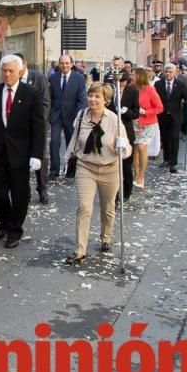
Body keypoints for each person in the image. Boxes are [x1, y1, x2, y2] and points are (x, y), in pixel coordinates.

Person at [0, 54, 45, 249]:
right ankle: (4, 222)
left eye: (11, 71)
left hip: (21, 152)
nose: (7, 74)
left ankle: (14, 230)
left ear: (20, 71)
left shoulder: (31, 94)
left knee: (20, 194)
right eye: (4, 71)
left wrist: (37, 155)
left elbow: (38, 127)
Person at [61, 82, 132, 265]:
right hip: (86, 167)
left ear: (106, 101)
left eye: (97, 96)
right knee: (84, 207)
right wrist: (67, 157)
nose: (92, 99)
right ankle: (80, 250)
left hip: (110, 169)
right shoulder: (82, 115)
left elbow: (127, 151)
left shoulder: (114, 120)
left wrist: (122, 147)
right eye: (90, 95)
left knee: (108, 207)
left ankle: (106, 237)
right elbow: (75, 138)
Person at [17, 53, 51, 204]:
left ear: (25, 64)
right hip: (20, 128)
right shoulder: (12, 79)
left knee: (40, 157)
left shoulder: (38, 78)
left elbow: (45, 102)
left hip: (37, 126)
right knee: (21, 159)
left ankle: (42, 188)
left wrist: (38, 123)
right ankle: (25, 191)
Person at [48, 54, 87, 179]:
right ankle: (54, 170)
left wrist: (79, 117)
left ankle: (70, 170)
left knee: (72, 144)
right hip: (56, 116)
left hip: (72, 117)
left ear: (71, 64)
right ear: (59, 65)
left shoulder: (79, 78)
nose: (64, 66)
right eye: (62, 63)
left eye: (67, 63)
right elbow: (49, 98)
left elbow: (82, 99)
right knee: (54, 142)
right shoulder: (53, 78)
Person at [154, 63, 187, 173]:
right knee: (165, 138)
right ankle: (166, 159)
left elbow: (186, 96)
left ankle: (174, 163)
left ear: (175, 73)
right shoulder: (158, 84)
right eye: (167, 72)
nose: (168, 74)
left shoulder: (180, 84)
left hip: (176, 115)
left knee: (174, 138)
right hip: (163, 115)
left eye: (171, 72)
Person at [132, 68, 162, 188]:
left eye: (134, 75)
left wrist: (145, 112)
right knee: (134, 149)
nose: (132, 77)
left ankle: (141, 175)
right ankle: (136, 173)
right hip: (134, 123)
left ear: (140, 76)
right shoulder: (132, 89)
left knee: (141, 147)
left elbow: (159, 108)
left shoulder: (150, 90)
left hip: (148, 123)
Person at [115, 70, 138, 202]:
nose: (120, 84)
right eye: (118, 81)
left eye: (123, 81)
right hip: (112, 129)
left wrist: (127, 111)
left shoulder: (133, 92)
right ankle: (115, 191)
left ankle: (127, 191)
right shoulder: (111, 90)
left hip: (126, 131)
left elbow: (136, 113)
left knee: (126, 164)